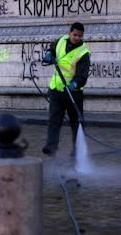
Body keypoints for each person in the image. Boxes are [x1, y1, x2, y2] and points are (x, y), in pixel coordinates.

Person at [42, 22, 91, 157]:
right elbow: (51, 49)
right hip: (56, 90)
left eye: (80, 36)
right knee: (54, 120)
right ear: (70, 32)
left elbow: (83, 74)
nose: (77, 38)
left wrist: (74, 84)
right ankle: (51, 146)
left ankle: (77, 150)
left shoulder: (83, 53)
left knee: (76, 123)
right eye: (75, 35)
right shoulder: (61, 41)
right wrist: (49, 55)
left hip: (73, 94)